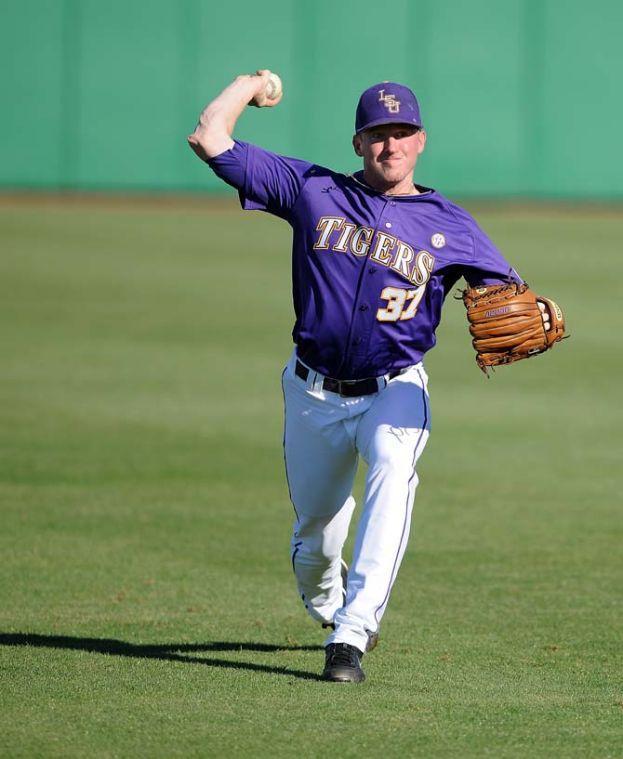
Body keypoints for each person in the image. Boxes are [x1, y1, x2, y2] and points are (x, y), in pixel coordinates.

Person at [187, 71, 550, 683]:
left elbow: (507, 295)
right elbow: (209, 138)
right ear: (358, 143)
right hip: (312, 391)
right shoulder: (312, 189)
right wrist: (248, 86)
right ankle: (329, 607)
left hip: (396, 387)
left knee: (392, 470)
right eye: (377, 134)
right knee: (316, 537)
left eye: (402, 132)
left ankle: (352, 636)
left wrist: (526, 308)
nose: (391, 146)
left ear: (421, 140)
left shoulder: (451, 223)